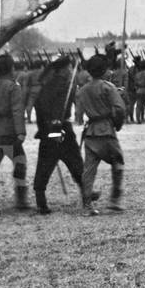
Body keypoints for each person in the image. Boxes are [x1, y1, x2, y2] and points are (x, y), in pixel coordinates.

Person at [32, 56, 88, 214]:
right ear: (63, 69)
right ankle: (87, 194)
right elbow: (57, 108)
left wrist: (44, 128)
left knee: (45, 164)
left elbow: (39, 107)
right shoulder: (64, 85)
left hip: (48, 130)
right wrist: (56, 128)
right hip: (61, 129)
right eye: (70, 68)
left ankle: (41, 202)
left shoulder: (47, 84)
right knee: (75, 162)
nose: (71, 71)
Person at [76, 54, 126, 215]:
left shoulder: (82, 90)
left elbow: (78, 114)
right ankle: (115, 200)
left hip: (91, 132)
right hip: (106, 130)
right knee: (117, 163)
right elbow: (119, 109)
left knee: (89, 170)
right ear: (104, 70)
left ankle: (87, 205)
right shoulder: (108, 87)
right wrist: (117, 125)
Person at [0, 54, 31, 213]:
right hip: (9, 135)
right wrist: (20, 132)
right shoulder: (13, 87)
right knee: (20, 163)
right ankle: (21, 200)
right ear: (11, 69)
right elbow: (17, 111)